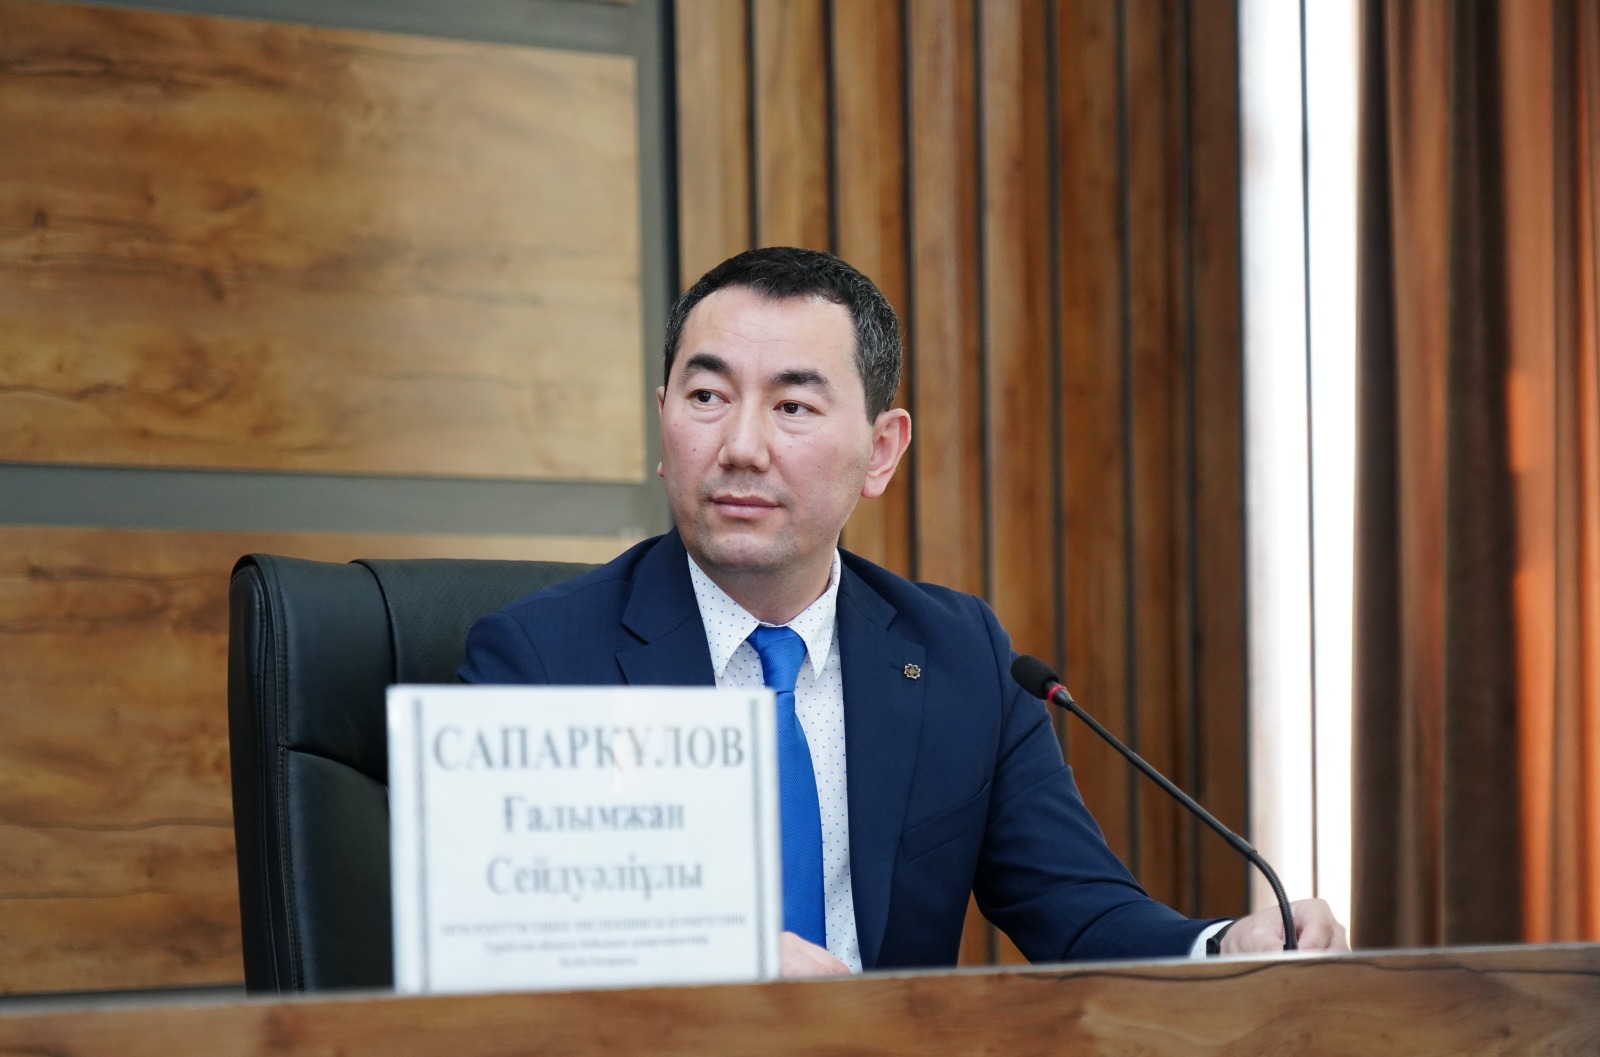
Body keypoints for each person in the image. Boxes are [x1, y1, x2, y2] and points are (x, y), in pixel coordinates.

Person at [460, 246, 1348, 975]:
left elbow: (1078, 912)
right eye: (706, 397)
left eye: (793, 405)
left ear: (881, 452)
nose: (740, 445)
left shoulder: (960, 656)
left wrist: (1222, 947)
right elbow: (502, 941)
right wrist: (708, 953)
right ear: (663, 424)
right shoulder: (543, 659)